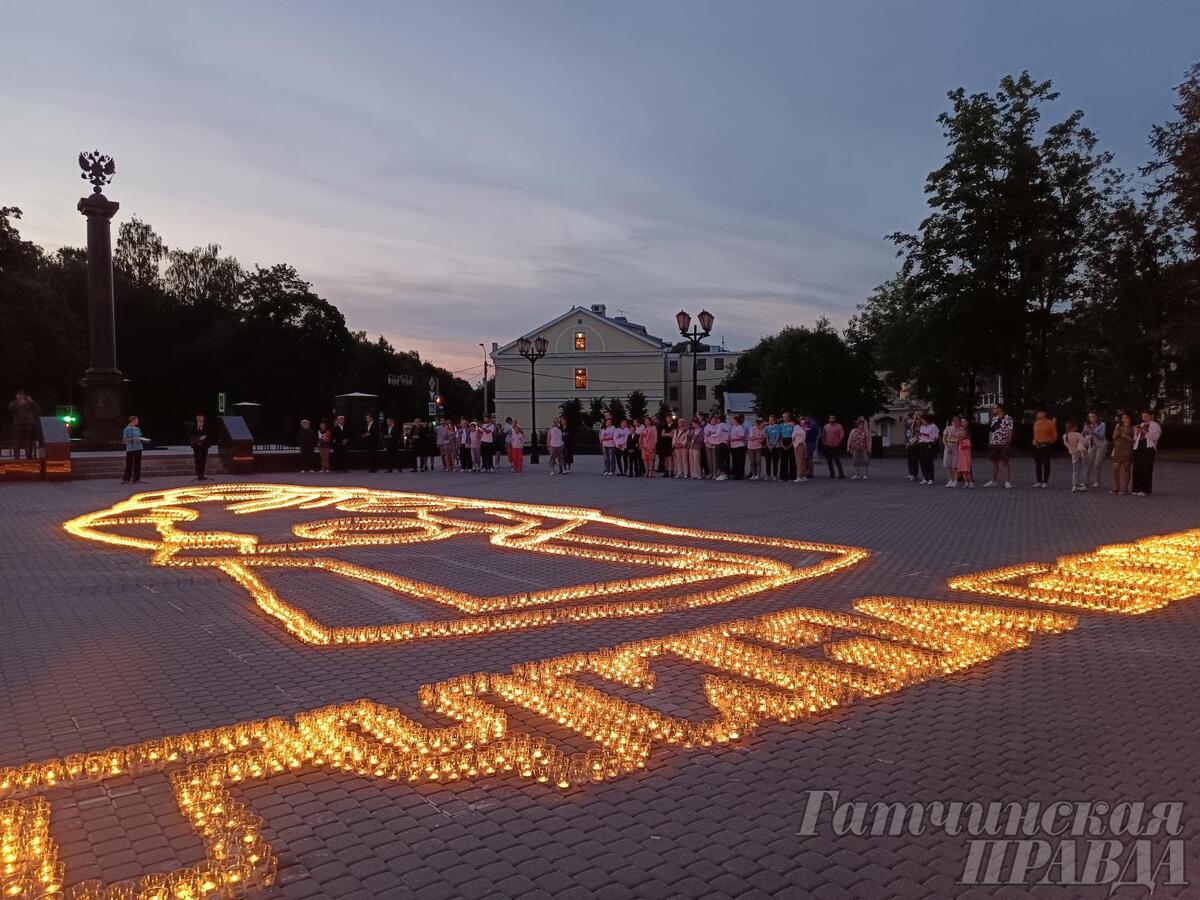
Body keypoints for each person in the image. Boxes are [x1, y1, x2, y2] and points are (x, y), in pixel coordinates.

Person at [1131, 410, 1163, 496]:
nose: (1144, 418)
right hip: (1138, 447)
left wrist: (1145, 432)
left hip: (1148, 448)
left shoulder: (1155, 425)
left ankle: (1145, 489)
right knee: (1137, 468)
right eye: (1143, 416)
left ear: (1150, 416)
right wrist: (1136, 432)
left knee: (1146, 468)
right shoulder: (1141, 425)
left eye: (1146, 416)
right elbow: (1135, 438)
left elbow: (1156, 438)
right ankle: (1136, 488)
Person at [983, 404, 1014, 488]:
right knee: (994, 463)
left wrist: (1008, 442)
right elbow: (991, 431)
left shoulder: (1008, 418)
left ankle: (1007, 482)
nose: (993, 409)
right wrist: (990, 442)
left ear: (1000, 409)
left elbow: (1010, 430)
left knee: (1005, 462)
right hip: (994, 443)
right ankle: (993, 481)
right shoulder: (994, 419)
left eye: (995, 408)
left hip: (1003, 443)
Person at [8, 389, 40, 459]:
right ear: (17, 396)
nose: (21, 397)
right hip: (18, 425)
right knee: (17, 442)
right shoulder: (14, 403)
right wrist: (20, 404)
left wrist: (32, 401)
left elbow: (37, 408)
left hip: (28, 425)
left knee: (29, 442)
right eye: (19, 395)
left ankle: (29, 456)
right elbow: (11, 409)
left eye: (22, 395)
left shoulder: (29, 403)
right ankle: (16, 457)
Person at [1031, 409, 1057, 488]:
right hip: (1037, 445)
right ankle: (1038, 481)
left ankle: (1045, 481)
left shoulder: (1050, 423)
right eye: (1038, 413)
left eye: (1041, 413)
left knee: (1046, 464)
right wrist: (1036, 441)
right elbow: (1035, 434)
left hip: (1046, 445)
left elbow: (1054, 435)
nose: (1039, 414)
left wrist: (1049, 442)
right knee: (1037, 464)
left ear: (1045, 413)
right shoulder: (1036, 423)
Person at [1110, 412, 1134, 495]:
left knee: (1126, 467)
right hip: (1118, 448)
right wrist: (1117, 429)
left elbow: (1134, 440)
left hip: (1127, 448)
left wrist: (1126, 436)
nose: (1125, 419)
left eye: (1126, 418)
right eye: (1123, 418)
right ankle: (1116, 487)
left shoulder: (1133, 427)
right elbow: (1113, 437)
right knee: (1115, 468)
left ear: (1130, 418)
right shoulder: (1119, 426)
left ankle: (1125, 488)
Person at [1082, 411, 1108, 488]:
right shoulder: (1087, 424)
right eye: (1090, 417)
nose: (1091, 418)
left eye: (1093, 416)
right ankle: (1086, 481)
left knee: (1097, 463)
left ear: (1097, 417)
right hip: (1092, 445)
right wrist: (1085, 432)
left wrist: (1094, 431)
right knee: (1088, 462)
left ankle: (1097, 481)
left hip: (1101, 445)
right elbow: (1083, 434)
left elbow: (1102, 436)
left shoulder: (1102, 424)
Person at [1063, 421, 1088, 493]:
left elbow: (1068, 446)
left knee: (1075, 470)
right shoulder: (1077, 434)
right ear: (1074, 428)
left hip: (1073, 454)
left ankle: (1074, 485)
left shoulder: (1065, 436)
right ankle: (1084, 485)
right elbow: (1084, 442)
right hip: (1082, 454)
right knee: (1084, 469)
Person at [121, 415, 146, 484]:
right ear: (133, 421)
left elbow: (140, 436)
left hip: (138, 447)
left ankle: (137, 478)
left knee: (138, 463)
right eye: (137, 420)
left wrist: (143, 439)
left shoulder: (137, 429)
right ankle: (126, 479)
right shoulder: (127, 429)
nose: (138, 421)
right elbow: (125, 439)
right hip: (131, 448)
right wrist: (133, 439)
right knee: (129, 464)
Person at [941, 416, 965, 488]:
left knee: (955, 465)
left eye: (957, 421)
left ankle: (956, 480)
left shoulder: (961, 429)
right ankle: (950, 479)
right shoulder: (948, 428)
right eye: (954, 421)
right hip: (948, 444)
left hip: (957, 446)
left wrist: (959, 440)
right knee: (948, 464)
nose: (956, 422)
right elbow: (943, 438)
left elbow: (963, 437)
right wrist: (946, 446)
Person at [917, 414, 940, 485]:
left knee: (929, 461)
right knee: (922, 460)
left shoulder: (933, 426)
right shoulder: (922, 427)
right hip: (922, 444)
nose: (922, 422)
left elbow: (936, 436)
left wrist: (928, 435)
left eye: (923, 420)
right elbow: (920, 435)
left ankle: (931, 478)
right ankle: (925, 477)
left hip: (929, 444)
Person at [821, 415, 845, 479]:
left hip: (835, 446)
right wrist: (823, 442)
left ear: (835, 419)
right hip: (827, 445)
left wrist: (838, 442)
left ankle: (841, 474)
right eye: (831, 418)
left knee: (837, 460)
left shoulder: (839, 426)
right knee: (829, 460)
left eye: (833, 418)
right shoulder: (826, 426)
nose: (832, 419)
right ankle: (832, 473)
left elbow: (842, 435)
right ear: (829, 419)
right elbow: (823, 435)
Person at [189, 413, 212, 481]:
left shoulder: (207, 426)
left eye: (201, 417)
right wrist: (197, 439)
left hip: (204, 446)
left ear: (203, 418)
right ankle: (198, 475)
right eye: (198, 417)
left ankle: (202, 474)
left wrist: (204, 436)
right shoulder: (193, 426)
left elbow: (209, 434)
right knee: (197, 460)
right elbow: (191, 435)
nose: (199, 419)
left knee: (203, 460)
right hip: (196, 446)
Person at [904, 413, 921, 482]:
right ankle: (910, 473)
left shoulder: (919, 427)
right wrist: (907, 442)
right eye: (913, 418)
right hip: (910, 444)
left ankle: (914, 475)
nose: (913, 420)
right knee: (910, 459)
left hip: (916, 444)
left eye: (915, 419)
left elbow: (917, 436)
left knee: (914, 460)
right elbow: (907, 434)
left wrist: (910, 442)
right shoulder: (911, 427)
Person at [764, 415, 782, 481]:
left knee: (775, 461)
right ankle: (768, 474)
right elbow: (766, 437)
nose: (770, 421)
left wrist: (773, 445)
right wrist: (768, 445)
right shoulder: (766, 427)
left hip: (776, 446)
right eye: (769, 420)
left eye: (771, 420)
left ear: (775, 420)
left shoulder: (778, 427)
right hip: (768, 447)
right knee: (768, 461)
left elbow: (778, 436)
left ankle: (775, 475)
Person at [729, 415, 746, 480]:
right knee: (735, 461)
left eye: (734, 420)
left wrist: (734, 439)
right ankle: (736, 473)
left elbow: (742, 437)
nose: (733, 421)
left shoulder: (740, 428)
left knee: (739, 461)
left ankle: (739, 474)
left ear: (737, 421)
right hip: (733, 446)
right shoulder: (733, 427)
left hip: (739, 446)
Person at [790, 416, 807, 483]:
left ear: (793, 422)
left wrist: (799, 441)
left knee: (799, 461)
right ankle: (803, 476)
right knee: (802, 461)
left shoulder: (796, 427)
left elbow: (803, 434)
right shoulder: (797, 427)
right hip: (800, 445)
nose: (790, 424)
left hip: (798, 446)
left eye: (791, 422)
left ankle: (799, 476)